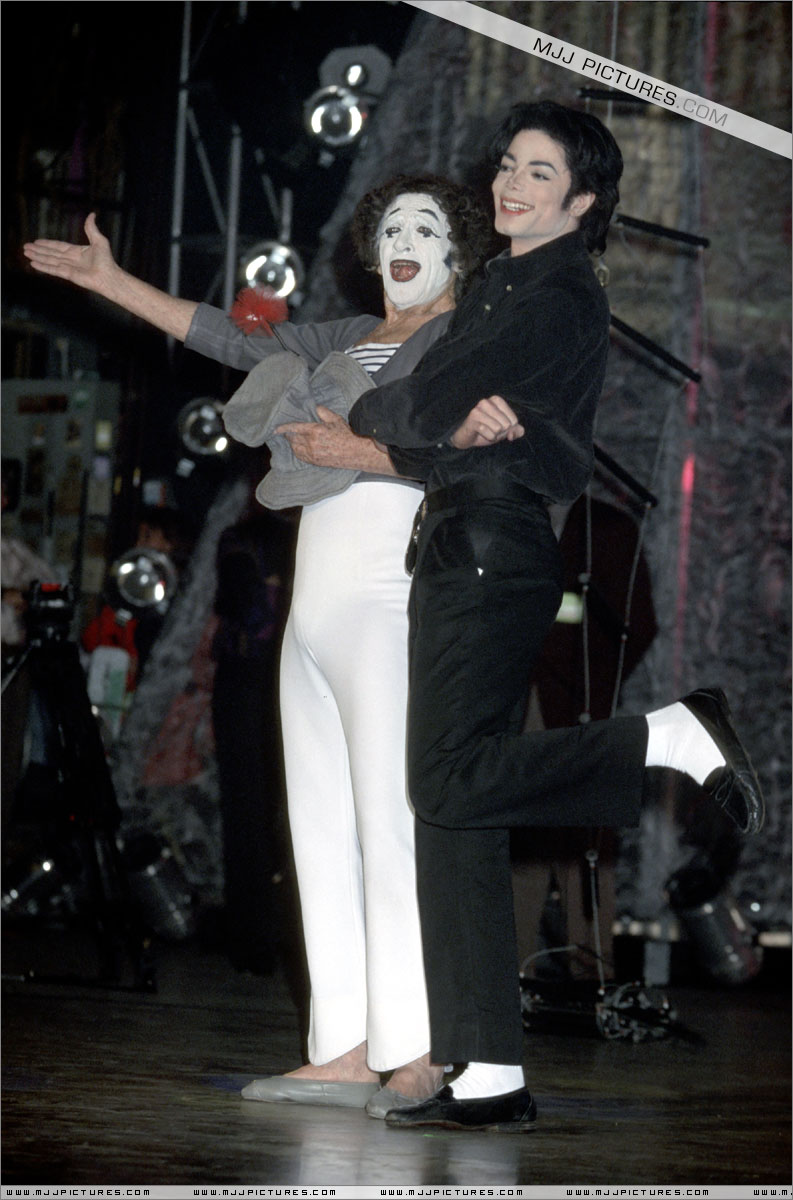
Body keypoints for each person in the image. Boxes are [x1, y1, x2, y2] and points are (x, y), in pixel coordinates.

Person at [23, 176, 493, 1117]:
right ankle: (344, 1046)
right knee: (316, 826)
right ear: (371, 250)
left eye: (425, 227)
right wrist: (114, 284)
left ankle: (415, 1049)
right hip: (311, 610)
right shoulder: (343, 337)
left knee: (388, 824)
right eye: (391, 227)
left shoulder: (465, 340)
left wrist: (369, 449)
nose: (403, 241)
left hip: (389, 600)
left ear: (458, 251)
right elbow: (232, 340)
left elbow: (481, 452)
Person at [344, 101, 764, 1131]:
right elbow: (389, 408)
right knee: (456, 812)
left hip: (492, 541)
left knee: (444, 781)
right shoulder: (502, 281)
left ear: (582, 202)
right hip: (464, 538)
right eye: (507, 164)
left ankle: (665, 736)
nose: (510, 183)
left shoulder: (557, 289)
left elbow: (406, 402)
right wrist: (436, 411)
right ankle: (487, 1071)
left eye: (539, 172)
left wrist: (431, 407)